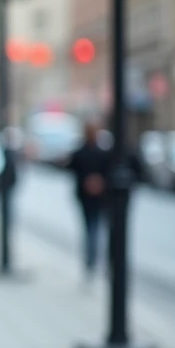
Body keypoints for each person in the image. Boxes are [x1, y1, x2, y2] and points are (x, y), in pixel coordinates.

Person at [67, 121, 111, 282]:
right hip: (89, 198)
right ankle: (93, 263)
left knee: (93, 230)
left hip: (96, 198)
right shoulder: (91, 152)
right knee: (94, 230)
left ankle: (92, 263)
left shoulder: (92, 152)